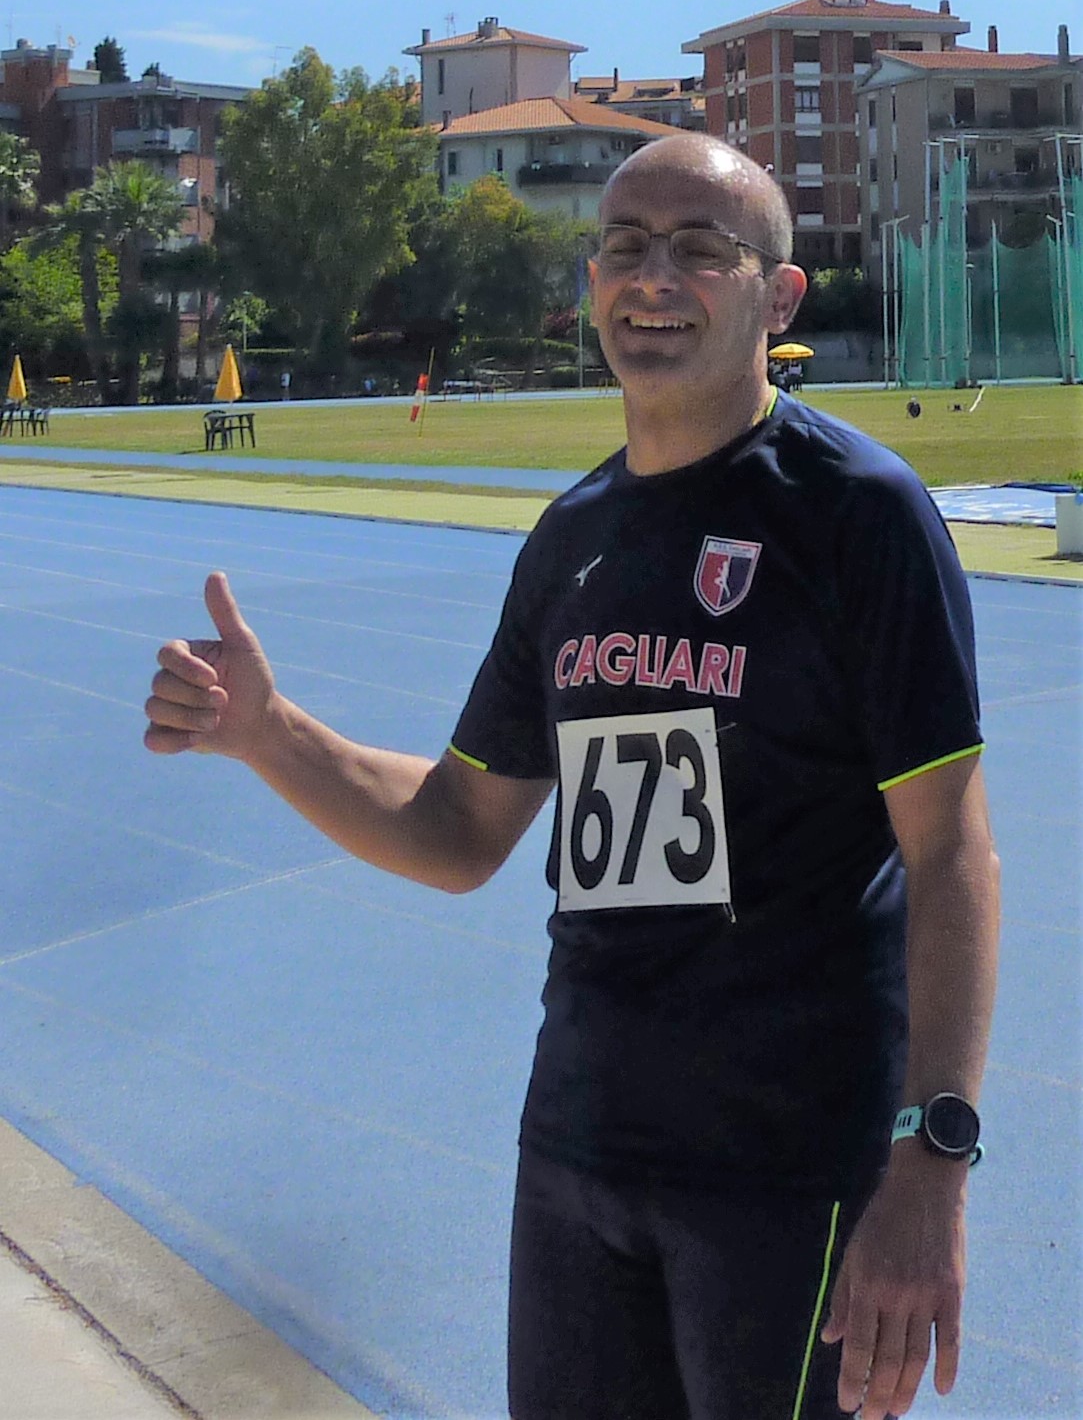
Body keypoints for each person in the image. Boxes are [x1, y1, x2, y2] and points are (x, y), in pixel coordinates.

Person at [143, 134, 1000, 1420]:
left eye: (699, 250)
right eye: (625, 247)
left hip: (787, 1166)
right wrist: (268, 734)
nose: (653, 278)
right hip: (580, 1153)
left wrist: (932, 1162)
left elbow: (951, 853)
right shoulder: (573, 538)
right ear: (592, 283)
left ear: (777, 297)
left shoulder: (857, 513)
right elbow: (457, 827)